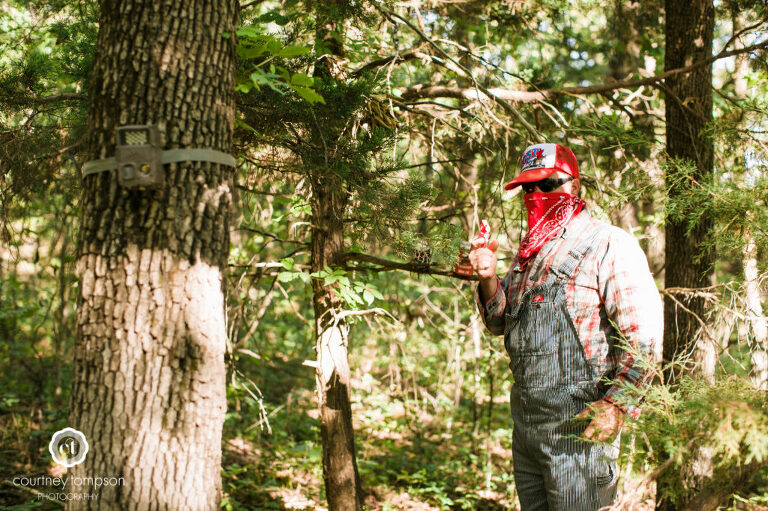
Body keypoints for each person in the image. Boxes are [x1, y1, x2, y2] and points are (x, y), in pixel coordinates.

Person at [469, 143, 663, 511]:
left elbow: (645, 338)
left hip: (581, 432)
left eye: (548, 184)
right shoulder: (530, 253)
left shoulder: (607, 243)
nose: (537, 195)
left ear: (574, 185)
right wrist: (489, 278)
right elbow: (498, 322)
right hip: (527, 429)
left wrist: (617, 406)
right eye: (529, 188)